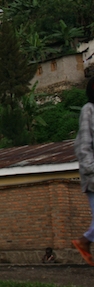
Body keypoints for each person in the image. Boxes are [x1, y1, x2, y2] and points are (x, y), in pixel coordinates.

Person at [74, 76, 94, 266]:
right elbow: (83, 147)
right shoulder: (89, 110)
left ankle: (85, 241)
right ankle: (84, 241)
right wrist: (91, 171)